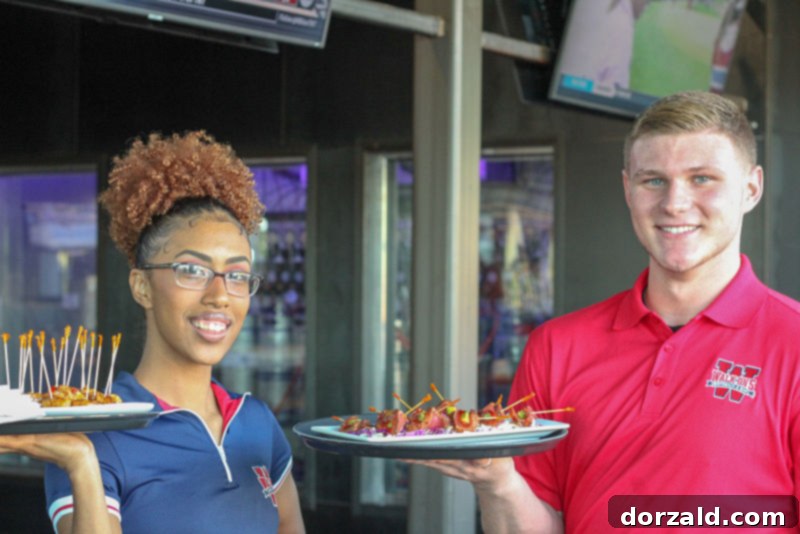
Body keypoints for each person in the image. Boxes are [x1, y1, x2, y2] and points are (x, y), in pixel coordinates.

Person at [409, 91, 800, 532]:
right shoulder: (556, 347)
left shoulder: (793, 345)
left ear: (751, 188)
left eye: (702, 178)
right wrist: (499, 482)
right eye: (653, 180)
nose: (674, 203)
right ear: (627, 189)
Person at [0, 131, 305, 534]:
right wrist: (81, 462)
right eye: (192, 270)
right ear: (142, 286)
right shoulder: (96, 433)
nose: (220, 296)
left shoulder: (258, 423)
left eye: (237, 275)